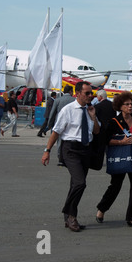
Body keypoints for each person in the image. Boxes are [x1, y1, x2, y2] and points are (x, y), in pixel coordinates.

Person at [41, 81, 100, 232]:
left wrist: (93, 117)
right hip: (70, 150)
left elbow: (97, 132)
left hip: (85, 150)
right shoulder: (68, 110)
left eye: (91, 93)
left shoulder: (90, 110)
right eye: (87, 93)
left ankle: (69, 216)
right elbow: (56, 131)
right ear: (77, 93)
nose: (90, 96)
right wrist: (47, 150)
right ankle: (70, 214)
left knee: (75, 184)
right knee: (80, 183)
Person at [95, 91, 132, 228]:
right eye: (127, 104)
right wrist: (121, 142)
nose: (131, 106)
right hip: (120, 157)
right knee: (115, 186)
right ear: (120, 106)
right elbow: (105, 140)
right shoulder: (113, 122)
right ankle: (102, 209)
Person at [47, 85, 75, 165]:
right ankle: (69, 158)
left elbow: (52, 113)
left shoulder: (57, 100)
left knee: (59, 142)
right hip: (71, 124)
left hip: (59, 123)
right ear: (70, 91)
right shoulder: (74, 100)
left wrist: (49, 124)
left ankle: (60, 159)